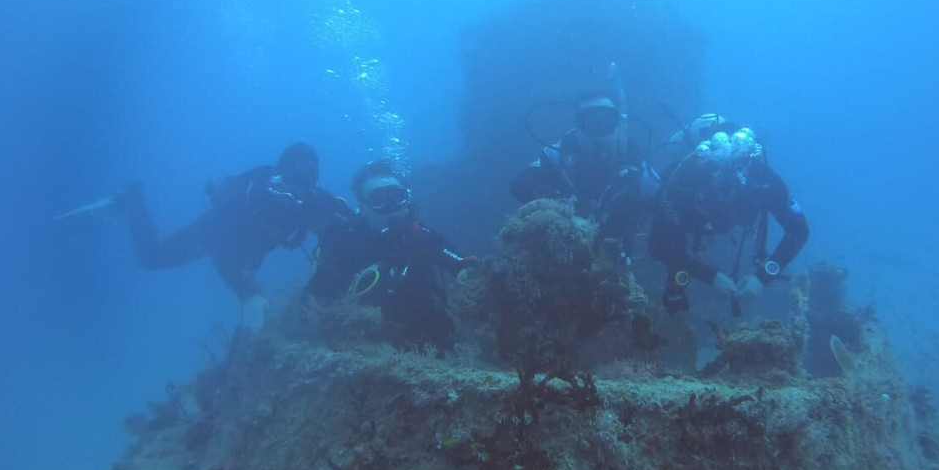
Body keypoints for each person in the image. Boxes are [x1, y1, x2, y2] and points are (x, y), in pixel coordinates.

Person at [72, 142, 353, 332]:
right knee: (151, 259)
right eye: (289, 188)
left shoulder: (313, 199)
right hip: (213, 234)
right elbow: (223, 252)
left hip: (249, 252)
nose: (294, 198)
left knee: (255, 285)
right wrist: (247, 294)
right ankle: (134, 198)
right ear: (279, 177)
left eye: (303, 189)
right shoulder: (252, 197)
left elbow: (348, 220)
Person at [306, 158, 473, 351]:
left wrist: (468, 271)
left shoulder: (420, 236)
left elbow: (461, 264)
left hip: (429, 339)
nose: (392, 205)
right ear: (362, 206)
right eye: (379, 199)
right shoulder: (344, 243)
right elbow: (316, 300)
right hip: (364, 347)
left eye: (397, 196)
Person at [649, 117, 809, 315]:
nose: (727, 194)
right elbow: (657, 245)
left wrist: (763, 277)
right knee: (671, 232)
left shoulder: (761, 178)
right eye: (720, 187)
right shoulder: (685, 177)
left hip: (708, 223)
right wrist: (709, 276)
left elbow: (799, 230)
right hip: (688, 222)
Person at [510, 89, 660, 262]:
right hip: (556, 257)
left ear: (618, 124)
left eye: (605, 121)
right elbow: (521, 184)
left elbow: (661, 202)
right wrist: (563, 205)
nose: (599, 131)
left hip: (613, 262)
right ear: (577, 126)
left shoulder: (635, 163)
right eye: (591, 122)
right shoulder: (559, 153)